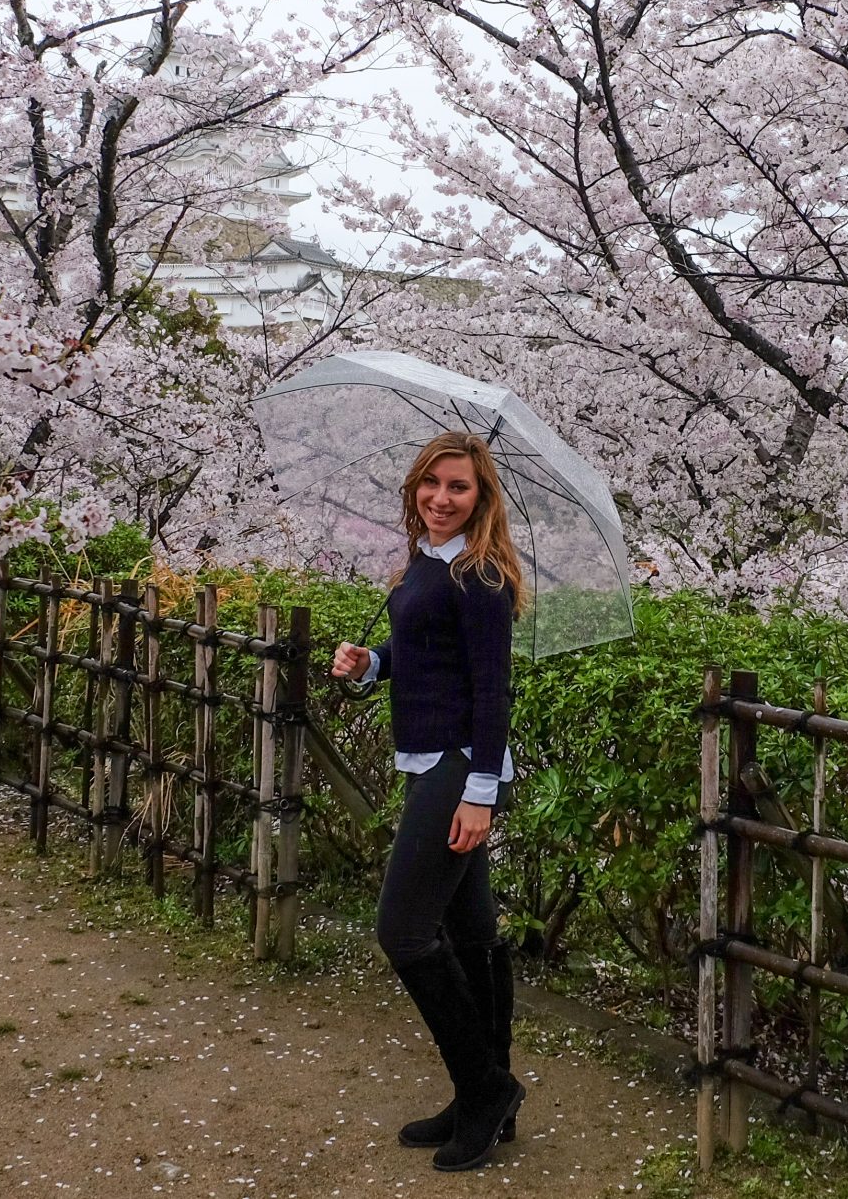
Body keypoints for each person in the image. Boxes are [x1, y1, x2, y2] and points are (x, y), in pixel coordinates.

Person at [329, 433, 527, 1172]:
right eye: (432, 484)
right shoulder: (427, 564)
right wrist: (368, 664)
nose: (442, 497)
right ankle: (483, 1094)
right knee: (471, 931)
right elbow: (416, 659)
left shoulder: (479, 578)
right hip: (431, 761)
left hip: (457, 768)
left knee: (404, 931)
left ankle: (485, 1086)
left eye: (460, 488)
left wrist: (480, 794)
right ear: (415, 487)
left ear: (483, 500)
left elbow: (490, 691)